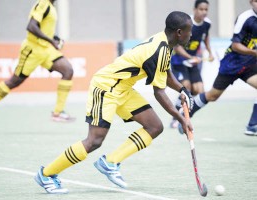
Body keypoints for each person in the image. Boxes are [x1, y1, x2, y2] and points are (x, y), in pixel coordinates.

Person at [34, 11, 194, 194]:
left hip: (123, 88)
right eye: (189, 32)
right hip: (106, 87)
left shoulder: (164, 43)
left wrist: (183, 89)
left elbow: (165, 73)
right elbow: (159, 92)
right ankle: (46, 174)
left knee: (154, 126)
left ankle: (110, 162)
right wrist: (181, 119)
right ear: (179, 32)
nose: (191, 35)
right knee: (94, 140)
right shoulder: (159, 49)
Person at [0, 0, 75, 129]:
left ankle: (58, 112)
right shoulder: (43, 4)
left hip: (45, 50)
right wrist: (51, 41)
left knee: (68, 71)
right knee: (13, 82)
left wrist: (54, 38)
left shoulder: (50, 6)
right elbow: (31, 26)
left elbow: (42, 28)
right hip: (32, 51)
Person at [179, 0, 257, 136]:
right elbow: (235, 46)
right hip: (232, 64)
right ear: (251, 2)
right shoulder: (246, 18)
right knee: (213, 95)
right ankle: (185, 113)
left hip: (250, 64)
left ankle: (252, 124)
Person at [170, 0, 214, 128]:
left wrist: (210, 53)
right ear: (194, 10)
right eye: (201, 9)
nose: (204, 12)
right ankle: (175, 117)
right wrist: (191, 57)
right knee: (186, 87)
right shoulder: (186, 23)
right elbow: (177, 47)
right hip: (179, 61)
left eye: (206, 10)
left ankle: (184, 112)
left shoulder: (207, 24)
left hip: (193, 62)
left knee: (199, 90)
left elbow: (205, 37)